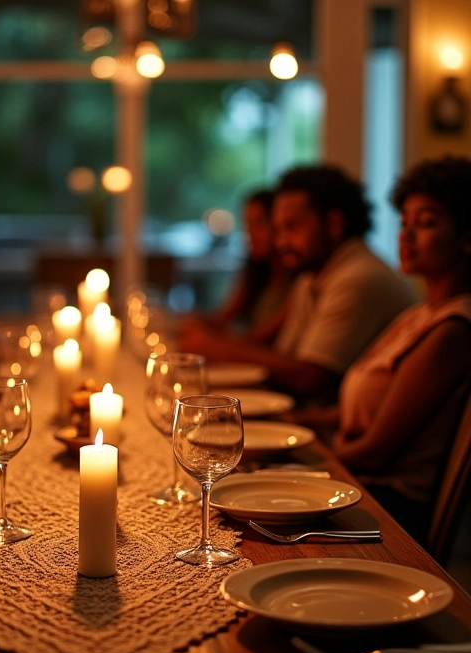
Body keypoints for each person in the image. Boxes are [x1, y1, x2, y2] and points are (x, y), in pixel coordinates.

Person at [323, 156, 471, 544]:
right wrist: (303, 423)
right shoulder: (420, 314)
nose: (405, 235)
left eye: (426, 223)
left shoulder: (452, 329)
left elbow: (376, 453)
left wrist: (310, 453)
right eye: (404, 222)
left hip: (386, 509)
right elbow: (374, 403)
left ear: (466, 236)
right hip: (360, 486)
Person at [178, 164, 418, 403]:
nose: (281, 243)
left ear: (334, 224)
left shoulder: (358, 277)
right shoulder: (309, 276)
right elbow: (284, 357)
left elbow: (309, 377)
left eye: (292, 227)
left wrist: (216, 348)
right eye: (278, 230)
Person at [194, 189, 294, 340]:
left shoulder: (298, 280)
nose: (250, 234)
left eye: (258, 224)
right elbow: (222, 318)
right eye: (247, 224)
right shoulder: (255, 269)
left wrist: (213, 342)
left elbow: (261, 338)